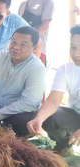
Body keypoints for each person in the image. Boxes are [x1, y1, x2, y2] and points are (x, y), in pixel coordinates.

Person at [27, 25, 80, 157]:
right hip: (76, 115)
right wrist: (39, 118)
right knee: (46, 117)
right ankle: (62, 151)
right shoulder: (66, 69)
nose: (76, 53)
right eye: (73, 47)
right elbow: (53, 100)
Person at [18, 0, 54, 67]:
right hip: (20, 50)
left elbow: (45, 25)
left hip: (37, 50)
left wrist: (28, 41)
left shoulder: (47, 2)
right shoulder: (23, 4)